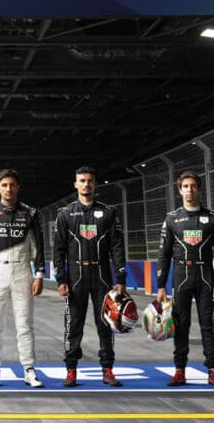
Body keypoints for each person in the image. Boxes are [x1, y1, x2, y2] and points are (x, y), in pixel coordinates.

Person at [0, 169, 45, 388]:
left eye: (12, 185)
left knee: (25, 324)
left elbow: (38, 247)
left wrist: (39, 274)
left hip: (23, 272)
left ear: (18, 187)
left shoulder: (30, 213)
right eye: (4, 185)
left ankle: (29, 370)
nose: (8, 189)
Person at [54, 166, 126, 388]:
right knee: (73, 325)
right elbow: (59, 250)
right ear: (75, 184)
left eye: (90, 181)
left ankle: (108, 370)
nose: (86, 184)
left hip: (102, 276)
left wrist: (121, 279)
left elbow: (117, 246)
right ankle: (71, 370)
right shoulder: (65, 214)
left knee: (106, 324)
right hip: (76, 277)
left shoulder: (108, 212)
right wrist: (61, 279)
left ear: (95, 184)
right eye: (82, 181)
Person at [156, 170, 214, 387]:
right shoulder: (171, 219)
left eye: (193, 186)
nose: (189, 190)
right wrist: (160, 285)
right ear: (179, 190)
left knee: (208, 326)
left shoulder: (213, 217)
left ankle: (213, 371)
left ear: (199, 188)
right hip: (181, 278)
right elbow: (163, 254)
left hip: (206, 277)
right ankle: (179, 371)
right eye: (185, 186)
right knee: (180, 326)